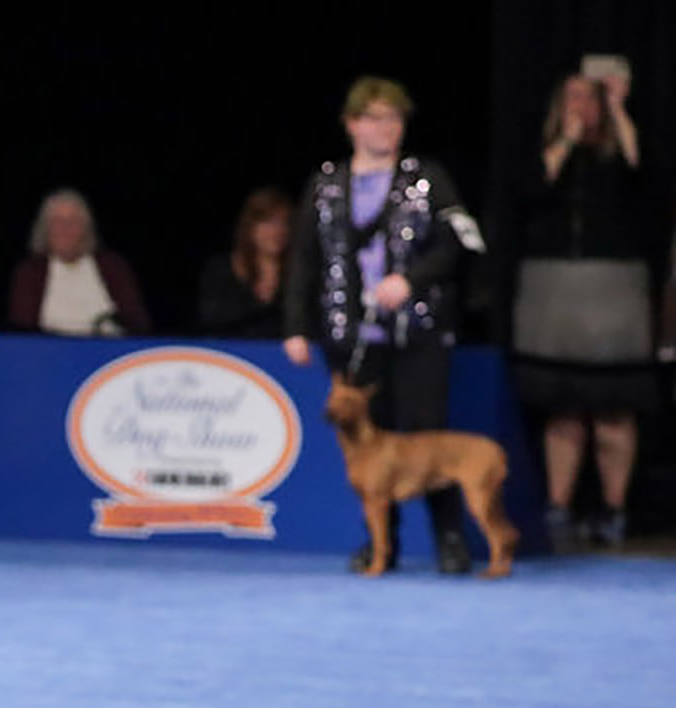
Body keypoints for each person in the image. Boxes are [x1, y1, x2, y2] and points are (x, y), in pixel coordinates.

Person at [282, 76, 486, 573]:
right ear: (352, 124)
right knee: (367, 444)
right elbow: (305, 259)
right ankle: (380, 543)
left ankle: (450, 539)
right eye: (375, 117)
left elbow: (461, 242)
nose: (387, 127)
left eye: (394, 117)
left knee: (425, 436)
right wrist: (294, 325)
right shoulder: (326, 183)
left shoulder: (428, 177)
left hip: (417, 332)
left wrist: (410, 280)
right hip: (350, 334)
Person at [512, 66, 654, 550]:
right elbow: (530, 189)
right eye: (571, 97)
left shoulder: (621, 153)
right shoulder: (548, 152)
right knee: (564, 408)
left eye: (589, 98)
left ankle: (614, 509)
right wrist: (566, 141)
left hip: (614, 292)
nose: (581, 107)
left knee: (614, 410)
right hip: (555, 293)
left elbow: (645, 173)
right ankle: (559, 507)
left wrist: (617, 108)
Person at [8, 189, 151, 336]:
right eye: (57, 221)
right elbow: (22, 329)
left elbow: (137, 322)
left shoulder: (113, 266)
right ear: (45, 228)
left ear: (86, 228)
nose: (65, 229)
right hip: (50, 351)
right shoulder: (29, 272)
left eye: (73, 221)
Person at [198, 187, 291, 339]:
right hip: (232, 355)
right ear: (250, 227)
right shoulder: (221, 270)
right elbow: (211, 318)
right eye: (268, 222)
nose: (277, 231)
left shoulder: (298, 275)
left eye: (283, 223)